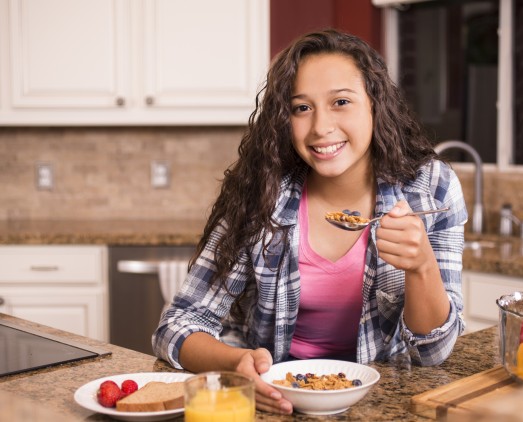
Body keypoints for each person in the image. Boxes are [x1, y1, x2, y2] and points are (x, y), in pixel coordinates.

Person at [152, 29, 468, 415]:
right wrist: (236, 365)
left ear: (375, 105)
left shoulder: (430, 187)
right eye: (301, 108)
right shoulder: (262, 192)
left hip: (383, 404)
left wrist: (421, 266)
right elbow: (177, 324)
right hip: (277, 399)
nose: (320, 128)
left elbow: (433, 353)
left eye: (341, 102)